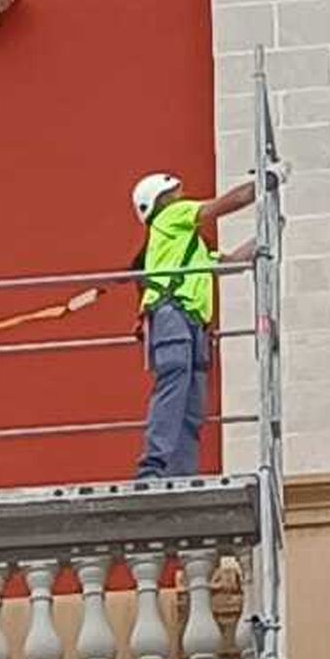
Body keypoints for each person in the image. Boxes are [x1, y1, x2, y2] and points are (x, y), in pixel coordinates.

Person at [118, 169, 256, 483]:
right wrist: (263, 184)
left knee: (192, 401)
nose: (181, 196)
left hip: (192, 323)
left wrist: (263, 239)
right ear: (161, 199)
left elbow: (231, 263)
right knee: (174, 385)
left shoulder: (189, 245)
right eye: (175, 192)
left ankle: (180, 474)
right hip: (173, 316)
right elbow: (226, 203)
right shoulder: (170, 217)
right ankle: (153, 467)